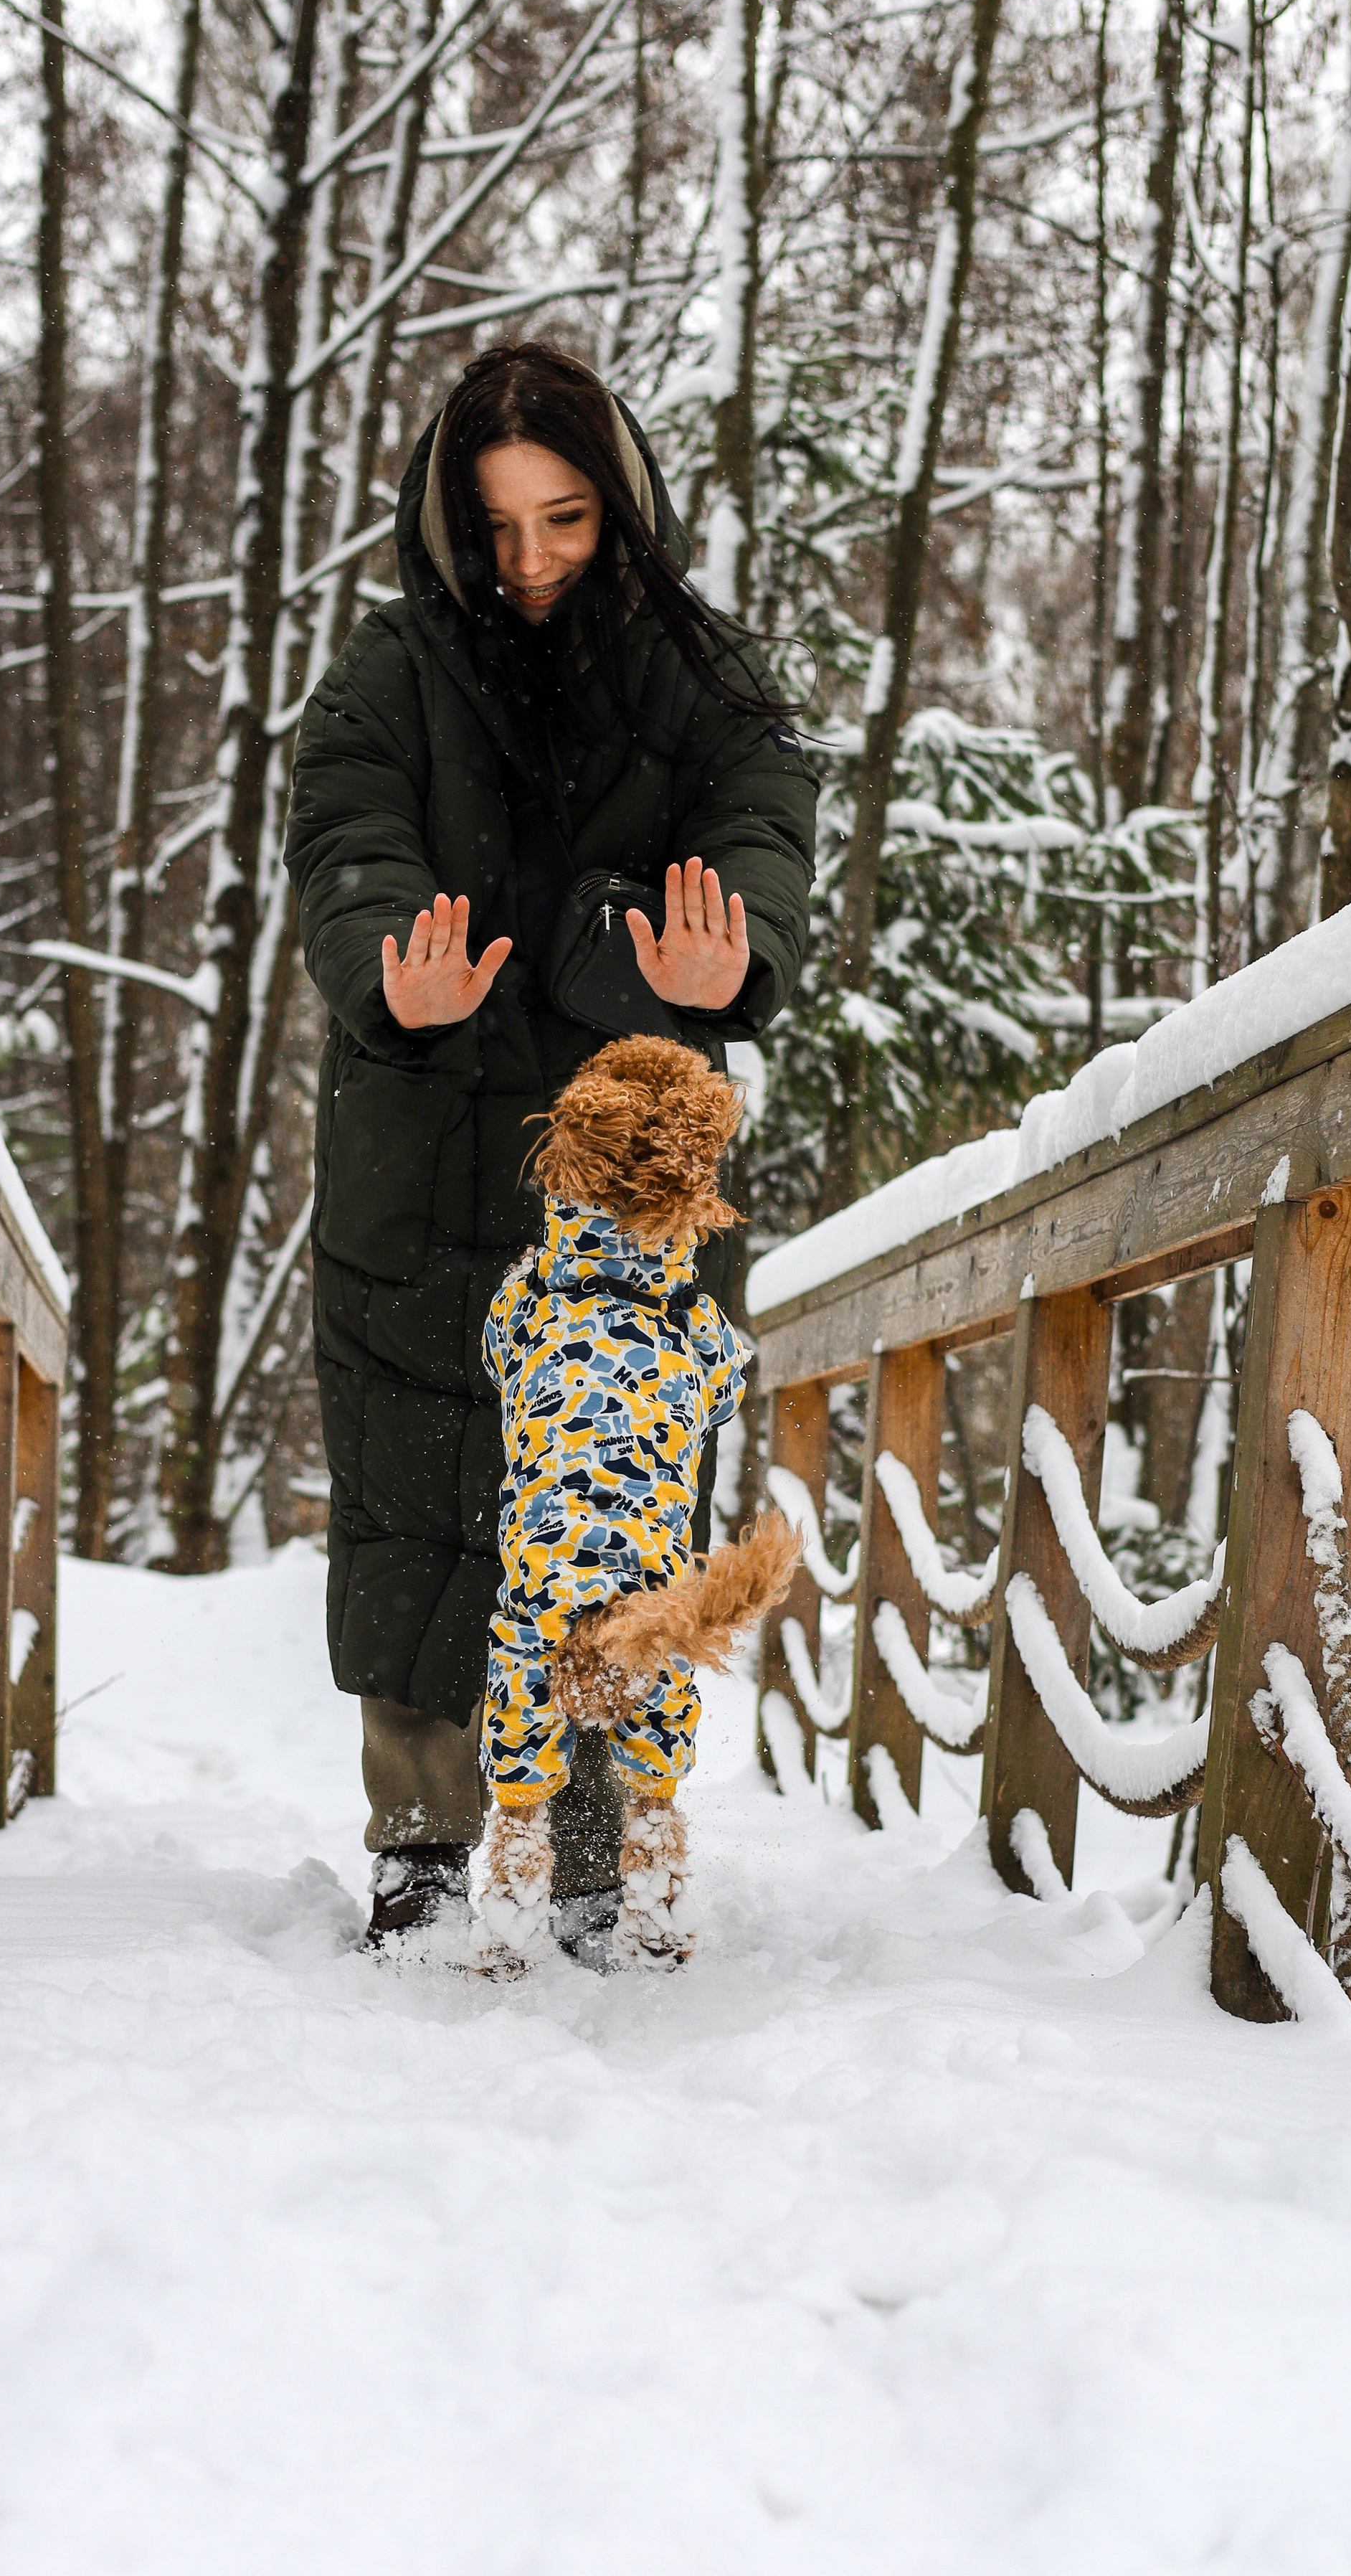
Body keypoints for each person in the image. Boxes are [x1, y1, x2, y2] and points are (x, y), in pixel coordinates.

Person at [283, 340, 817, 1954]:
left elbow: (760, 834)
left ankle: (593, 1842)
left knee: (619, 1492)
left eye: (565, 520)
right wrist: (389, 967)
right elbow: (347, 838)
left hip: (628, 1167)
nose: (528, 561)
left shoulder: (706, 676)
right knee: (413, 1485)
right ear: (449, 523)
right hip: (416, 1136)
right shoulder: (386, 670)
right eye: (497, 526)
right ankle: (425, 1839)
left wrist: (727, 956)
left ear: (621, 507)